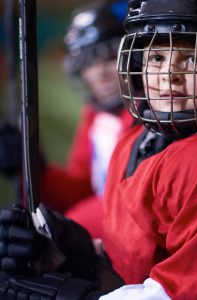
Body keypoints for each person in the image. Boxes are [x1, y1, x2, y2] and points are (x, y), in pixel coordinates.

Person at [0, 0, 197, 299]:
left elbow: (192, 292)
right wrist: (73, 255)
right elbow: (142, 255)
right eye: (156, 57)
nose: (169, 75)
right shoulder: (140, 137)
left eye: (194, 59)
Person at [40, 0, 133, 238]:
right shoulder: (95, 116)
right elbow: (82, 188)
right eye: (88, 63)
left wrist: (69, 228)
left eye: (110, 58)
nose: (98, 73)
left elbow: (129, 203)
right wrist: (35, 172)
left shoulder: (149, 117)